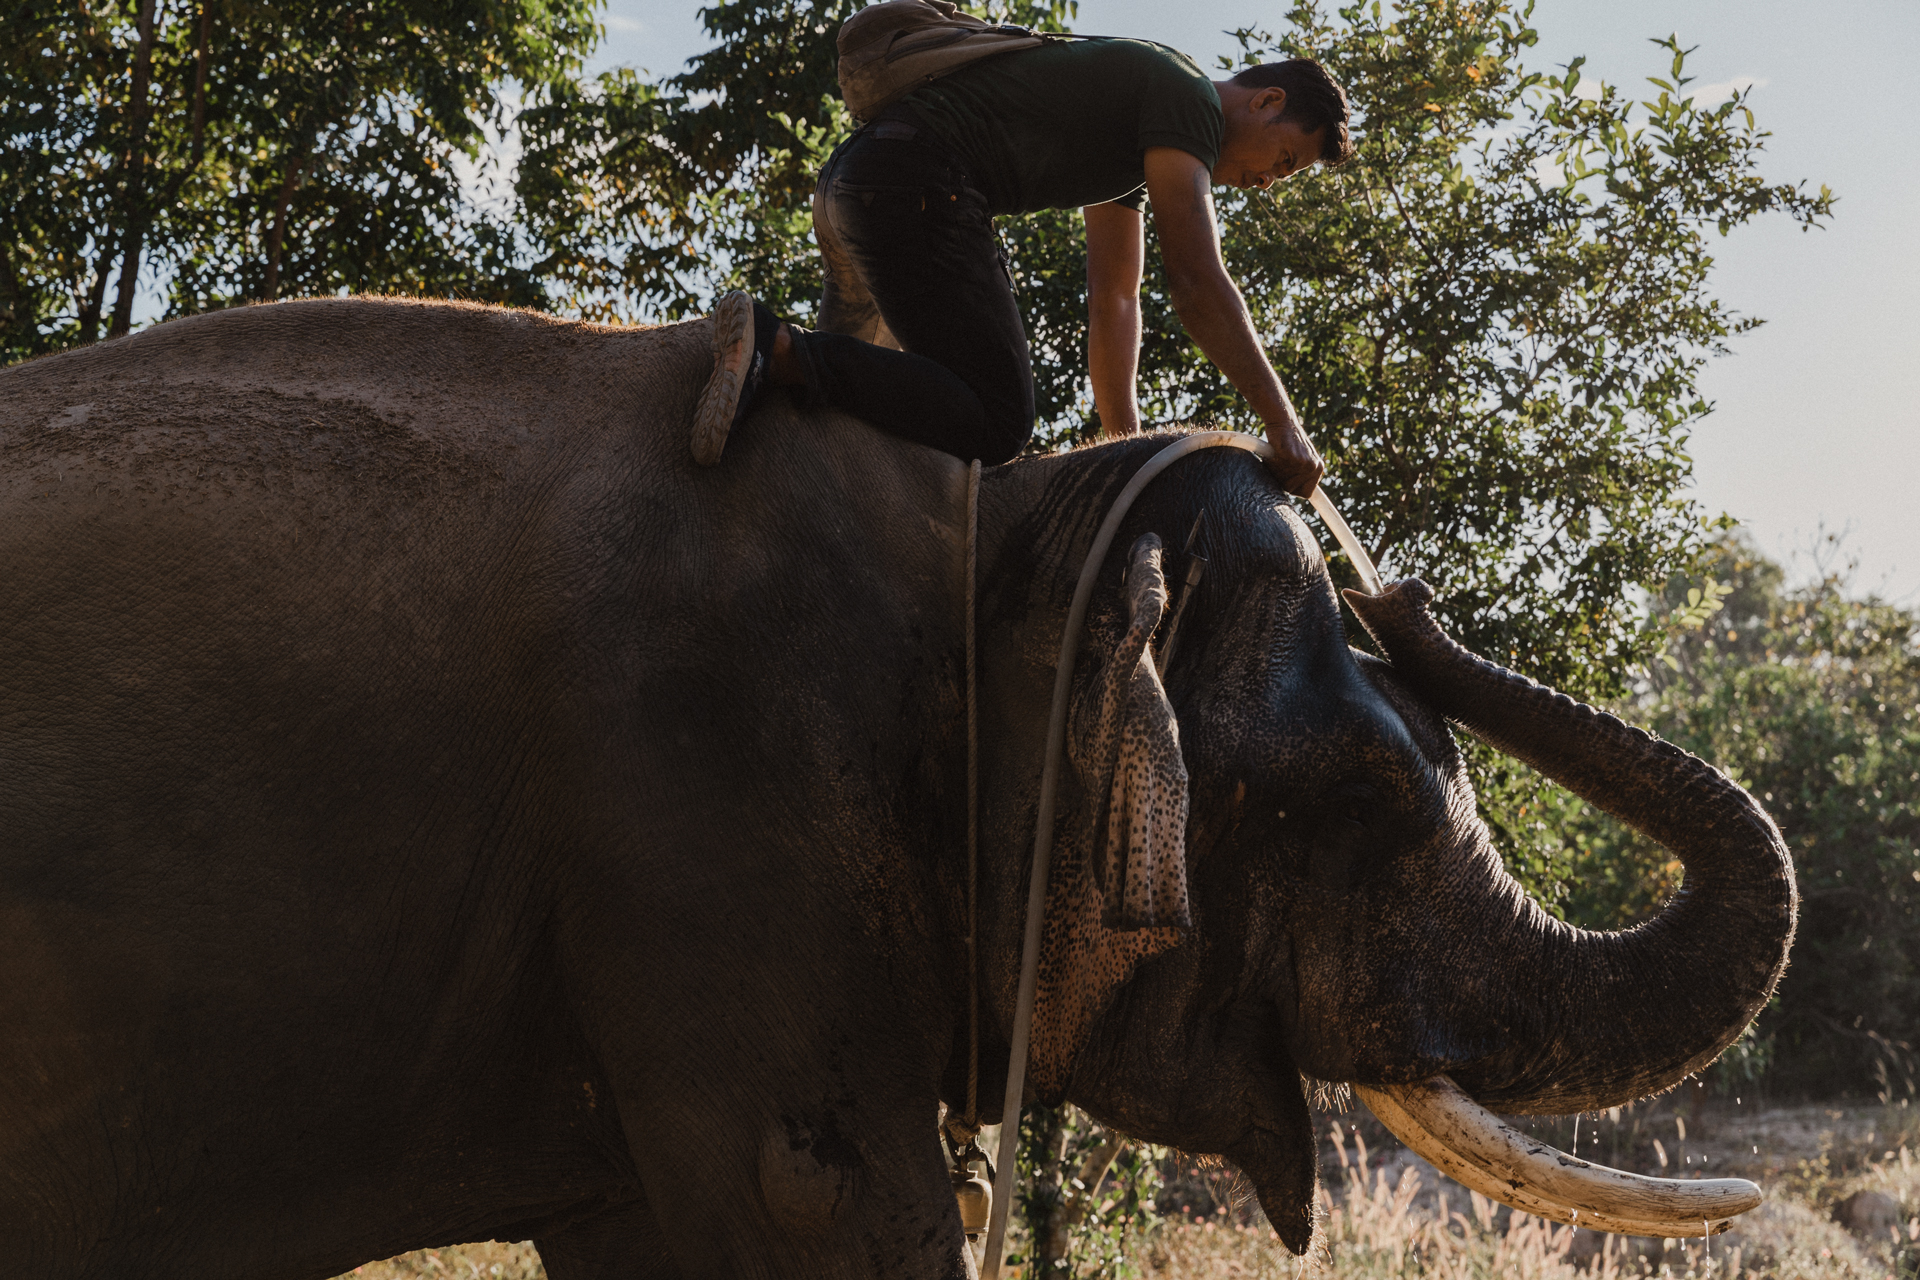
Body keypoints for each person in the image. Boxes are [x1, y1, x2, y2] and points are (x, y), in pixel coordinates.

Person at [691, 38, 1353, 497]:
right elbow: (1196, 282)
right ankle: (771, 343)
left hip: (857, 182)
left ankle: (763, 376)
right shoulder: (1187, 101)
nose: (1268, 181)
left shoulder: (1144, 125)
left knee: (837, 419)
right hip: (916, 185)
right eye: (1286, 160)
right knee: (997, 417)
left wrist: (1122, 446)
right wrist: (1281, 422)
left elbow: (1115, 296)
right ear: (1267, 102)